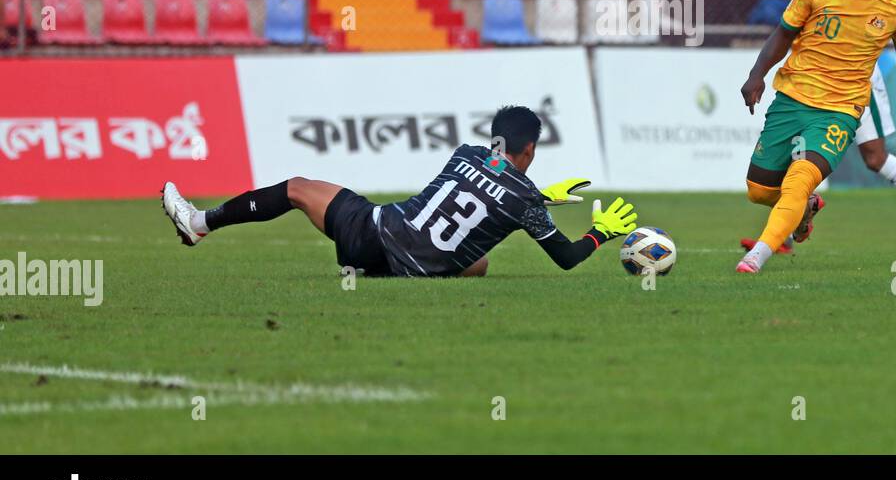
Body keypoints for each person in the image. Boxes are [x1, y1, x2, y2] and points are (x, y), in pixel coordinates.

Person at [162, 106, 641, 279]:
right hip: (418, 266)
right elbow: (566, 258)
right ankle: (377, 271)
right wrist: (599, 233)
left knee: (296, 188)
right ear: (531, 148)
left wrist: (536, 194)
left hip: (373, 235)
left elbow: (490, 179)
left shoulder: (466, 154)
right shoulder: (525, 200)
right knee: (477, 263)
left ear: (494, 136)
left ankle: (200, 224)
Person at [736, 0, 896, 273]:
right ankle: (804, 210)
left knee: (800, 176)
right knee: (758, 191)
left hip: (841, 109)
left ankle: (756, 255)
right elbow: (783, 34)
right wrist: (757, 74)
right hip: (792, 99)